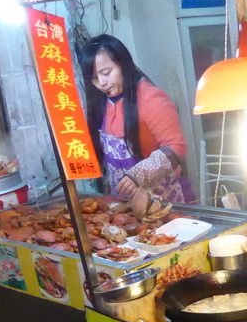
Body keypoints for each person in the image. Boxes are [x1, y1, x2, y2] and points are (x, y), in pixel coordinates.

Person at [78, 34, 195, 204]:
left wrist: (139, 175)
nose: (102, 83)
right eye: (95, 78)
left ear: (124, 65)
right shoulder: (102, 102)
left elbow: (176, 146)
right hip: (124, 201)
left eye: (107, 73)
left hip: (161, 199)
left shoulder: (151, 97)